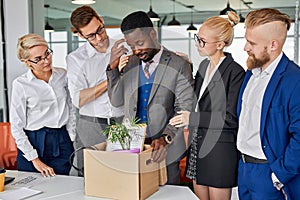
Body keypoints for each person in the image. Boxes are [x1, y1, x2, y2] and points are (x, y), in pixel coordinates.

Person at [107, 11, 194, 184]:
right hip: (133, 147)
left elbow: (184, 109)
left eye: (140, 43)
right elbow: (117, 101)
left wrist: (165, 138)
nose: (136, 50)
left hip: (166, 147)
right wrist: (112, 68)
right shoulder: (130, 63)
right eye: (132, 46)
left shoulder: (179, 64)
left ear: (152, 34)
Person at [169, 12, 245, 200]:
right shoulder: (203, 66)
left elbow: (229, 118)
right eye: (197, 38)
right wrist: (187, 67)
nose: (197, 44)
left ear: (220, 45)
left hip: (219, 149)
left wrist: (191, 118)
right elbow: (199, 99)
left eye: (202, 41)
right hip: (198, 145)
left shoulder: (235, 72)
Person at [236, 8, 300, 199]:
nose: (246, 48)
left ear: (273, 45)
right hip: (244, 168)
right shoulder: (250, 74)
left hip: (270, 174)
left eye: (252, 43)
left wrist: (279, 175)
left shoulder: (294, 80)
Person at [66, 5, 124, 176]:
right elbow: (78, 99)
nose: (99, 38)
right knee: (90, 174)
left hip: (122, 121)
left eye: (100, 30)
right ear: (79, 34)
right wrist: (113, 75)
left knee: (122, 173)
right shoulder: (75, 59)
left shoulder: (124, 47)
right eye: (91, 35)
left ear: (102, 20)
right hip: (91, 124)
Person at [10, 33, 75, 177]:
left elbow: (70, 108)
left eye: (47, 54)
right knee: (33, 188)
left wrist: (71, 137)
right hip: (33, 141)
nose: (46, 61)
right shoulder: (21, 84)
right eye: (38, 59)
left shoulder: (63, 75)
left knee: (62, 186)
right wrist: (34, 159)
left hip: (61, 139)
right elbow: (16, 126)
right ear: (27, 62)